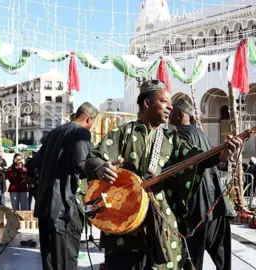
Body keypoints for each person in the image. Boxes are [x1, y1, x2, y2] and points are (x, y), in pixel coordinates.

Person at [84, 80, 242, 270]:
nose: (170, 107)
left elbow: (196, 159)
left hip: (162, 225)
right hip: (123, 225)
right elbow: (93, 158)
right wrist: (100, 167)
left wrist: (222, 154)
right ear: (147, 103)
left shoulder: (172, 139)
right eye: (164, 101)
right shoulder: (122, 134)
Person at [169, 98, 235, 270]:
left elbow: (191, 165)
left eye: (171, 110)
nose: (168, 113)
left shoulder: (182, 135)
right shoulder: (201, 134)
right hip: (217, 205)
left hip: (197, 209)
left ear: (180, 114)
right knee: (222, 260)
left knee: (192, 260)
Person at [33, 102, 98, 270]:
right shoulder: (81, 132)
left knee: (49, 260)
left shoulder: (54, 132)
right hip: (65, 209)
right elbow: (83, 165)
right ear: (89, 119)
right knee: (65, 261)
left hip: (45, 206)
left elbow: (35, 162)